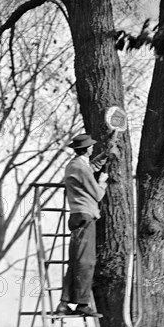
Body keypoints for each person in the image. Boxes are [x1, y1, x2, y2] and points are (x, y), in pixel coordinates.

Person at [55, 134, 108, 316]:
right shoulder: (80, 167)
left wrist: (104, 156)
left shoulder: (76, 164)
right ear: (87, 149)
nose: (93, 148)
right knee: (86, 262)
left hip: (78, 215)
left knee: (76, 261)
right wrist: (102, 182)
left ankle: (64, 304)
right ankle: (82, 304)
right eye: (92, 147)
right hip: (85, 216)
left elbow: (89, 168)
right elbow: (98, 194)